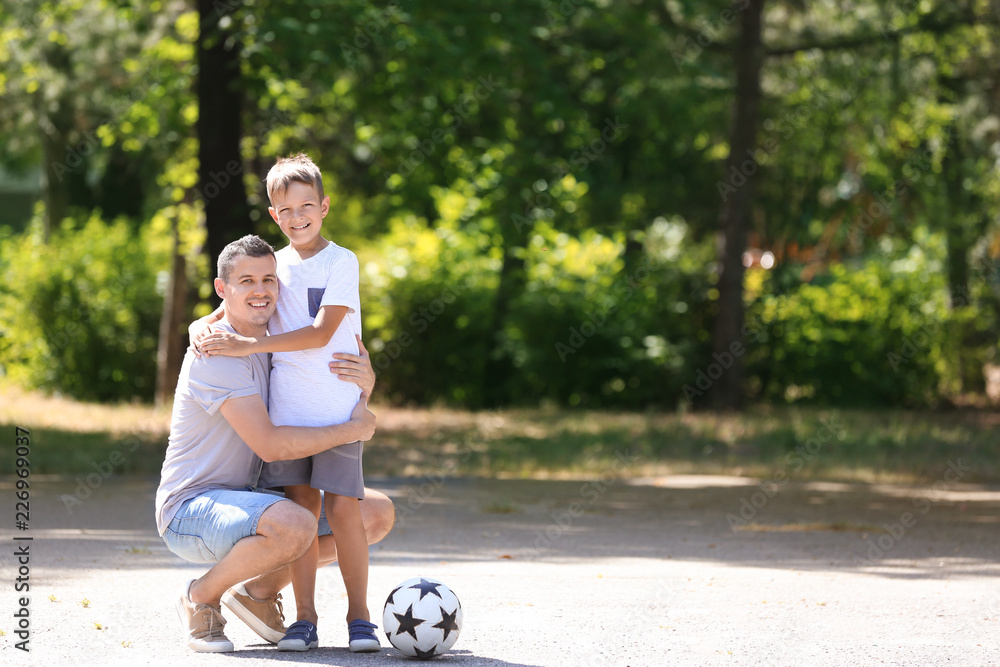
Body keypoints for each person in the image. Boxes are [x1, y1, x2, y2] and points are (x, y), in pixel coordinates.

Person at [155, 234, 394, 653]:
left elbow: (324, 353)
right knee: (296, 522)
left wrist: (364, 380)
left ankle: (257, 595)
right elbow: (271, 447)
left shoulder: (271, 340)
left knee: (373, 514)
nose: (261, 290)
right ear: (222, 288)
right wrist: (354, 429)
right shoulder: (216, 352)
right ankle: (201, 597)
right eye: (246, 281)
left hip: (252, 497)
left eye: (269, 279)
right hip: (192, 507)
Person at [191, 154, 378, 653]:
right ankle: (304, 618)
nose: (297, 217)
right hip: (289, 414)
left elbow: (321, 333)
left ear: (324, 206)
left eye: (307, 206)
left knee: (345, 515)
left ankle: (360, 618)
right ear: (274, 215)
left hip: (338, 411)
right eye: (286, 210)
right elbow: (228, 305)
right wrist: (200, 324)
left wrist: (249, 346)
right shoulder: (274, 264)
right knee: (300, 512)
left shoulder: (341, 261)